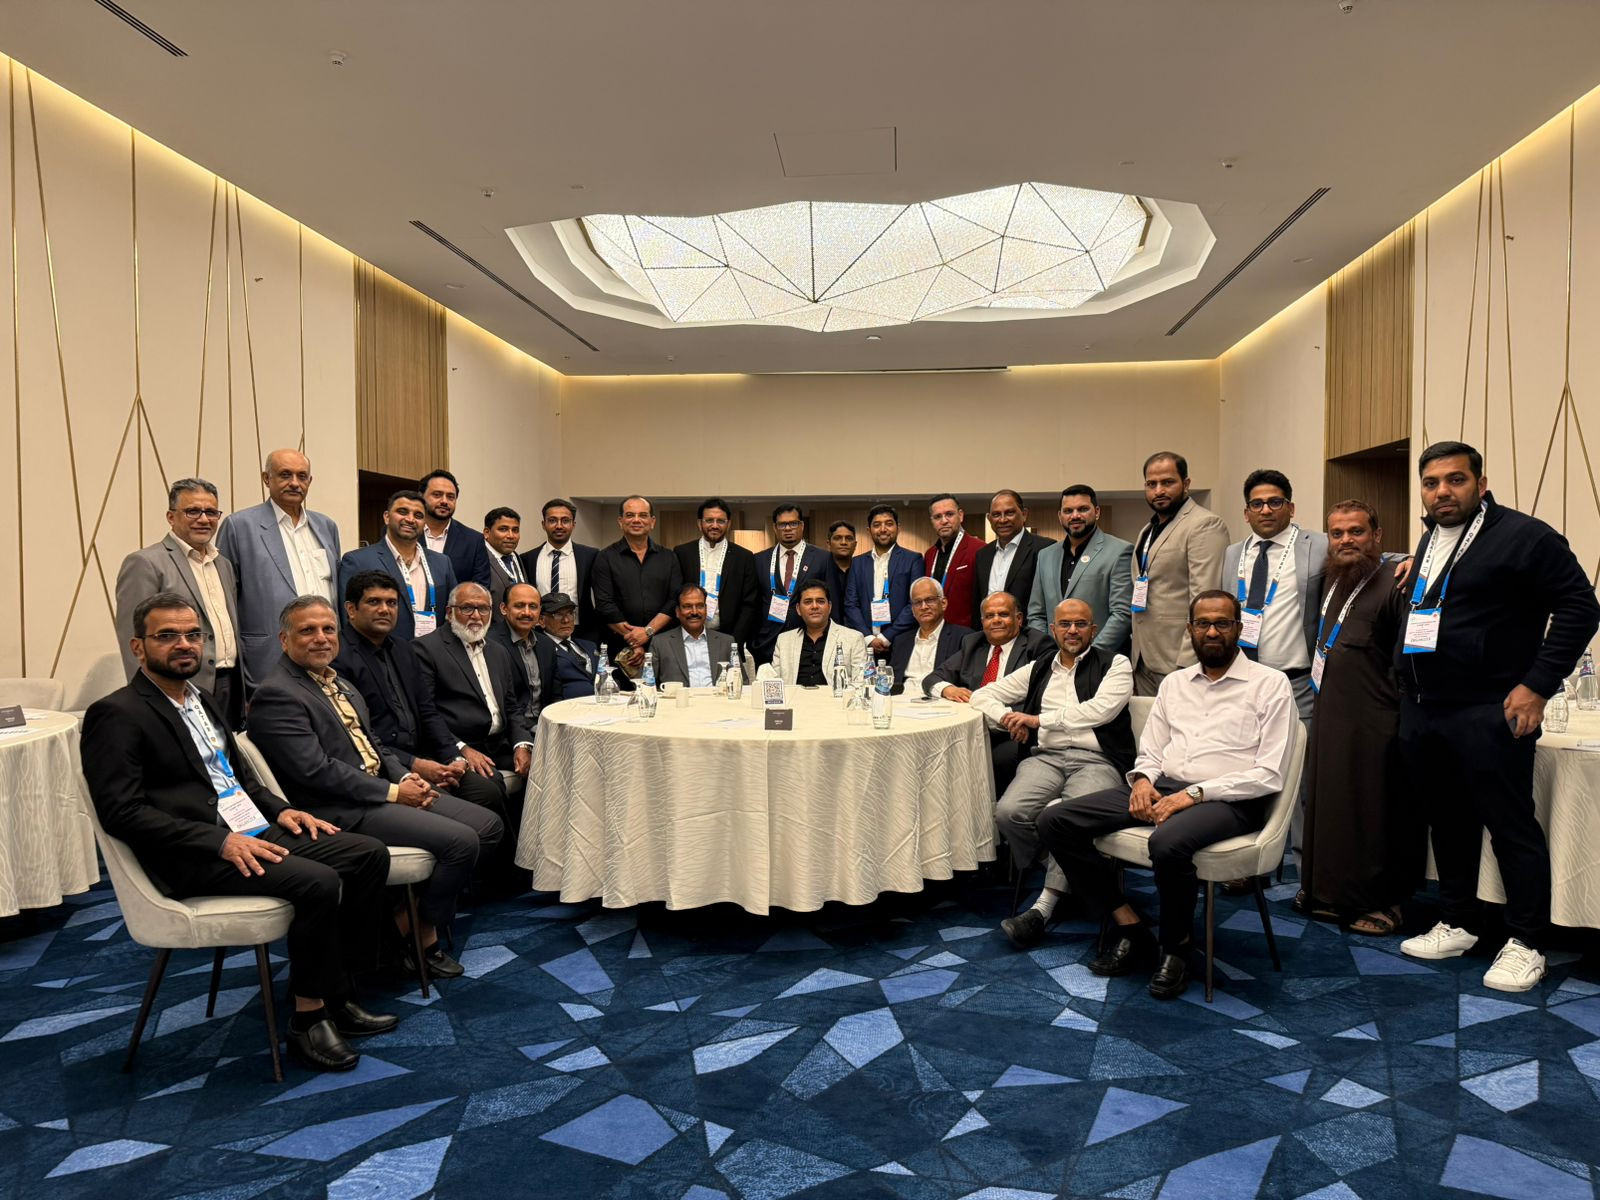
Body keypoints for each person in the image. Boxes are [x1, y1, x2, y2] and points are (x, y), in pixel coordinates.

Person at [84, 592, 396, 1073]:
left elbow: (240, 779)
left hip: (250, 829)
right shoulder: (117, 713)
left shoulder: (201, 699)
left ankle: (337, 992)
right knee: (318, 882)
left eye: (193, 634)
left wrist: (283, 811)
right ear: (138, 647)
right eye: (167, 636)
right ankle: (308, 1019)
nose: (184, 644)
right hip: (194, 853)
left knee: (367, 854)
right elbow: (121, 812)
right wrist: (219, 841)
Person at [1395, 441, 1600, 991]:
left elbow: (1581, 608)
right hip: (1424, 708)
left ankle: (1527, 941)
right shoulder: (1432, 539)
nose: (1443, 491)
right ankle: (1459, 920)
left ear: (1481, 485)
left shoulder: (1526, 536)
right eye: (1432, 482)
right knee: (1448, 821)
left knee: (1510, 826)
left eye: (1456, 480)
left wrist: (1537, 686)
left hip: (1489, 709)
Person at [1033, 591, 1296, 999]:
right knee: (1056, 820)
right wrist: (1141, 780)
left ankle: (1176, 949)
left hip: (1232, 800)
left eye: (1222, 623)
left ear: (1238, 629)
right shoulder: (1174, 684)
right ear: (1189, 630)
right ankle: (1130, 926)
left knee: (1167, 842)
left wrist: (1195, 794)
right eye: (1203, 623)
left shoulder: (1270, 684)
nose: (1212, 632)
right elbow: (1152, 750)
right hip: (1165, 787)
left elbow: (1268, 774)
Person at [245, 596, 504, 982]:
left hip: (379, 790)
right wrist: (395, 793)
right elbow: (316, 772)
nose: (321, 638)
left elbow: (374, 746)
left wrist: (404, 778)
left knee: (488, 825)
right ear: (284, 640)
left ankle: (400, 924)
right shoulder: (277, 693)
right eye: (307, 630)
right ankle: (422, 938)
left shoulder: (339, 682)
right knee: (461, 842)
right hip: (338, 807)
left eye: (328, 629)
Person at [1298, 501, 1422, 936]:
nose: (1346, 540)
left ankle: (1385, 902)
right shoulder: (1332, 579)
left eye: (1356, 531)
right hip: (1332, 712)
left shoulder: (1397, 581)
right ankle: (1330, 891)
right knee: (1332, 804)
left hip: (1377, 719)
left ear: (1377, 536)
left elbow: (1409, 659)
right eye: (1337, 533)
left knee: (1376, 811)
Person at [985, 598, 1136, 948]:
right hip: (1046, 758)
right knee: (1008, 813)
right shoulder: (1039, 667)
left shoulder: (1115, 664)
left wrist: (1038, 720)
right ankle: (1072, 869)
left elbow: (1099, 711)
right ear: (1052, 629)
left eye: (1080, 624)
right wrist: (1007, 717)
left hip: (1097, 760)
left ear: (1093, 630)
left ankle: (1044, 906)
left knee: (1067, 820)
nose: (1072, 631)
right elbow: (985, 695)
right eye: (1065, 624)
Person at [331, 570, 506, 818]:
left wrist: (453, 756)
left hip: (425, 753)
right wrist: (415, 765)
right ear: (351, 609)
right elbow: (358, 734)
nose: (384, 609)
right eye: (374, 602)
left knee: (489, 790)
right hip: (385, 765)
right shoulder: (337, 657)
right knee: (477, 816)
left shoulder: (403, 648)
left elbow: (427, 711)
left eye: (391, 603)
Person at [114, 477, 244, 728]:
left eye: (211, 512)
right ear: (171, 517)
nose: (203, 519)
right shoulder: (146, 563)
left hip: (230, 686)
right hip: (178, 687)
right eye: (193, 511)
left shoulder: (223, 564)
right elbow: (133, 636)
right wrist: (146, 699)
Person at [216, 449, 341, 690]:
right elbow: (225, 598)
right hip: (269, 655)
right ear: (266, 478)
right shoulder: (239, 526)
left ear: (310, 481)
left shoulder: (326, 526)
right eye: (285, 475)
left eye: (302, 476)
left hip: (322, 652)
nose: (294, 483)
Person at [413, 583, 534, 830]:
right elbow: (426, 714)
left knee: (547, 767)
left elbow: (512, 707)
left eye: (483, 609)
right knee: (490, 788)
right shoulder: (427, 649)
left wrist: (522, 745)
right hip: (457, 745)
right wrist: (463, 749)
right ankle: (512, 854)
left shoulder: (498, 652)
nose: (476, 616)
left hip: (497, 744)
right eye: (467, 608)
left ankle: (538, 844)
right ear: (449, 612)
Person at [1220, 469, 1328, 722]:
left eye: (1275, 502)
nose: (1266, 510)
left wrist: (1408, 561)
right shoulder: (1233, 553)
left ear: (1291, 508)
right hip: (1242, 682)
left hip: (1296, 684)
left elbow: (1361, 551)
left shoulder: (1318, 545)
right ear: (1246, 513)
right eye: (1257, 504)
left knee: (1298, 746)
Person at [924, 591, 1054, 793]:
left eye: (1003, 614)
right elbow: (931, 679)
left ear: (1019, 619)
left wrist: (1002, 718)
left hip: (1012, 733)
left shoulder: (1037, 645)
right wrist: (948, 689)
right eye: (989, 616)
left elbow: (1040, 698)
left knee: (989, 759)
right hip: (969, 729)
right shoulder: (973, 643)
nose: (996, 620)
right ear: (982, 621)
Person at [1129, 452, 1230, 696]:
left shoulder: (1204, 524)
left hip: (1179, 659)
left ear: (1186, 484)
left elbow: (1205, 600)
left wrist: (1187, 661)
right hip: (1143, 658)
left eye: (1167, 482)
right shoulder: (1148, 530)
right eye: (1151, 484)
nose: (1159, 490)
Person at [335, 490, 457, 644]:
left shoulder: (442, 563)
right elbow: (348, 619)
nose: (410, 519)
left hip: (431, 653)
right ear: (386, 517)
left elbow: (453, 613)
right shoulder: (358, 561)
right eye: (402, 512)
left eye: (418, 515)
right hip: (380, 653)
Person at [1028, 485, 1135, 655]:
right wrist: (1048, 652)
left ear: (1097, 512)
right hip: (1054, 660)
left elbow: (1122, 614)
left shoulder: (1120, 551)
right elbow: (1036, 614)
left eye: (1083, 509)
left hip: (1102, 659)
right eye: (1068, 511)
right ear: (1060, 516)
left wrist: (1089, 656)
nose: (1075, 515)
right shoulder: (1045, 555)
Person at [590, 495, 683, 657]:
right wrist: (634, 640)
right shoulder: (605, 557)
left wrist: (647, 632)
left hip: (663, 644)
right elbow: (605, 604)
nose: (636, 520)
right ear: (620, 521)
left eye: (643, 515)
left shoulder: (669, 557)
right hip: (619, 646)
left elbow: (673, 600)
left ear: (652, 521)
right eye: (630, 515)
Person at [672, 498, 762, 646]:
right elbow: (675, 596)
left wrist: (734, 641)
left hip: (728, 637)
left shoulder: (744, 557)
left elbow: (749, 604)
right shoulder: (682, 553)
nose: (714, 525)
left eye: (720, 521)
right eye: (709, 520)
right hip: (687, 636)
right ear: (699, 523)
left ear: (729, 524)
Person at [751, 503, 831, 666]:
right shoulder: (759, 560)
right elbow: (753, 602)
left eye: (793, 523)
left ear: (802, 525)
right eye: (782, 524)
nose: (788, 528)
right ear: (775, 528)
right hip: (767, 643)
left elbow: (831, 599)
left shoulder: (822, 558)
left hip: (809, 640)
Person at [844, 504, 923, 655]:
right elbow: (851, 604)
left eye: (889, 524)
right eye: (877, 525)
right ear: (869, 530)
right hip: (864, 645)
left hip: (901, 642)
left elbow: (914, 603)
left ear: (898, 528)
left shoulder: (913, 560)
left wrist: (886, 637)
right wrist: (868, 638)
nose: (883, 529)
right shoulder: (857, 563)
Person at [521, 498, 599, 643]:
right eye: (552, 520)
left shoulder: (590, 556)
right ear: (543, 524)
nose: (559, 526)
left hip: (580, 632)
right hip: (539, 632)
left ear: (573, 524)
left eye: (565, 521)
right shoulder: (527, 559)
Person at [774, 580, 868, 686]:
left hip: (835, 697)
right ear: (798, 609)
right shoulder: (784, 641)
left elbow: (861, 682)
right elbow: (774, 683)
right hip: (794, 696)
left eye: (820, 601)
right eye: (808, 602)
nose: (814, 606)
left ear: (829, 607)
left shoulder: (853, 639)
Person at [653, 584, 749, 688]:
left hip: (717, 698)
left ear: (706, 609)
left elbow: (742, 683)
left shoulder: (726, 642)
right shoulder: (660, 643)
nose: (694, 612)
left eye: (700, 606)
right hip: (679, 698)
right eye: (687, 606)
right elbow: (647, 686)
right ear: (677, 612)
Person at [887, 578, 970, 697]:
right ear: (912, 609)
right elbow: (891, 682)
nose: (923, 607)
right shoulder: (901, 641)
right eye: (917, 602)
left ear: (943, 603)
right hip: (901, 701)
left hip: (941, 702)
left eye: (929, 600)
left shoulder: (964, 638)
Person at [492, 582, 561, 722]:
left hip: (546, 723)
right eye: (519, 606)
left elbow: (556, 694)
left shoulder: (546, 644)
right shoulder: (490, 644)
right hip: (512, 728)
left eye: (533, 607)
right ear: (504, 609)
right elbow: (499, 704)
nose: (527, 613)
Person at [538, 592, 625, 700]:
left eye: (570, 613)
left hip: (605, 702)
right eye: (558, 614)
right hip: (569, 706)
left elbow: (607, 677)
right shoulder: (540, 648)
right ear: (541, 620)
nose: (566, 620)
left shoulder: (590, 646)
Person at [975, 489, 1051, 610]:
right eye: (996, 514)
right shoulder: (983, 554)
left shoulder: (1044, 549)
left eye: (1009, 513)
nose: (1003, 520)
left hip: (1026, 622)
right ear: (989, 519)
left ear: (1024, 514)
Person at [419, 469, 491, 590]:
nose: (444, 501)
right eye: (437, 495)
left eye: (450, 497)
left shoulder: (474, 541)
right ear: (421, 497)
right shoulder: (406, 534)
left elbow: (480, 588)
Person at [925, 494, 983, 629]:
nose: (944, 521)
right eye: (937, 517)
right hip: (934, 630)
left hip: (967, 633)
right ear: (932, 521)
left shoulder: (979, 550)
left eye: (949, 514)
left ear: (960, 515)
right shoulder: (930, 555)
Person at [483, 506, 526, 612]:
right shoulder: (479, 559)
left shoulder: (516, 557)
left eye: (515, 530)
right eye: (503, 529)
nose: (511, 536)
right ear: (487, 532)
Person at [823, 520, 857, 614]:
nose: (843, 542)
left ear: (855, 545)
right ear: (829, 544)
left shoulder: (862, 570)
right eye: (837, 538)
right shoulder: (820, 570)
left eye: (849, 538)